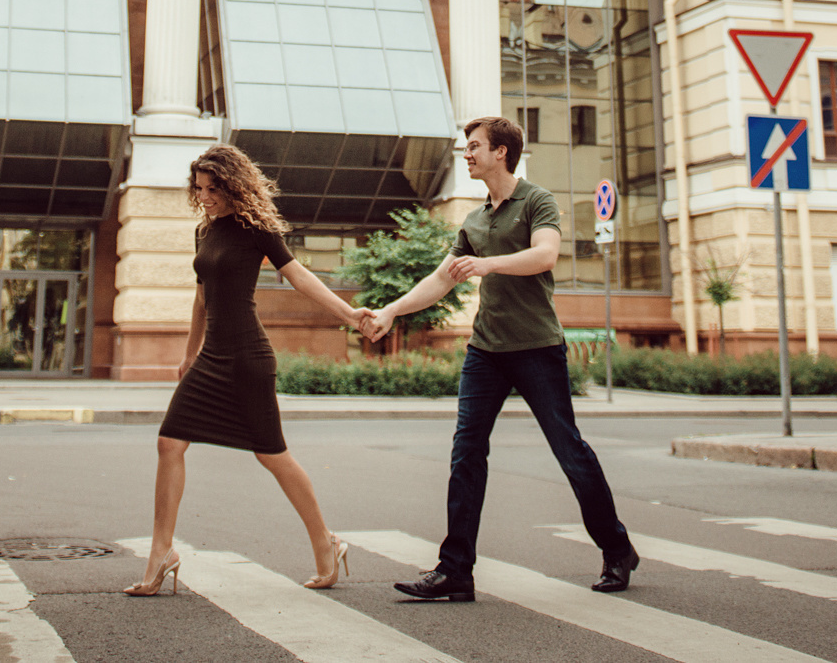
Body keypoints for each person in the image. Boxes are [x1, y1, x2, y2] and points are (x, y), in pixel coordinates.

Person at [361, 114, 638, 599]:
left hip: (536, 348)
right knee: (466, 453)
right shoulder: (474, 217)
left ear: (501, 152)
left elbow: (545, 255)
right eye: (466, 147)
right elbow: (443, 277)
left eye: (474, 146)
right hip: (486, 351)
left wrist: (487, 264)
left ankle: (617, 549)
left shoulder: (537, 201)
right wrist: (391, 311)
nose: (466, 154)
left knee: (569, 451)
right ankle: (456, 572)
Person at [125, 143, 367, 597]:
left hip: (247, 358)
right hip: (211, 356)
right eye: (199, 190)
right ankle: (162, 553)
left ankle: (326, 542)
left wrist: (350, 314)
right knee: (168, 442)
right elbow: (201, 297)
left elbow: (299, 276)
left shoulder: (256, 228)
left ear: (233, 185)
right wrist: (189, 352)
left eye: (212, 189)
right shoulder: (205, 231)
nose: (205, 197)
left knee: (272, 454)